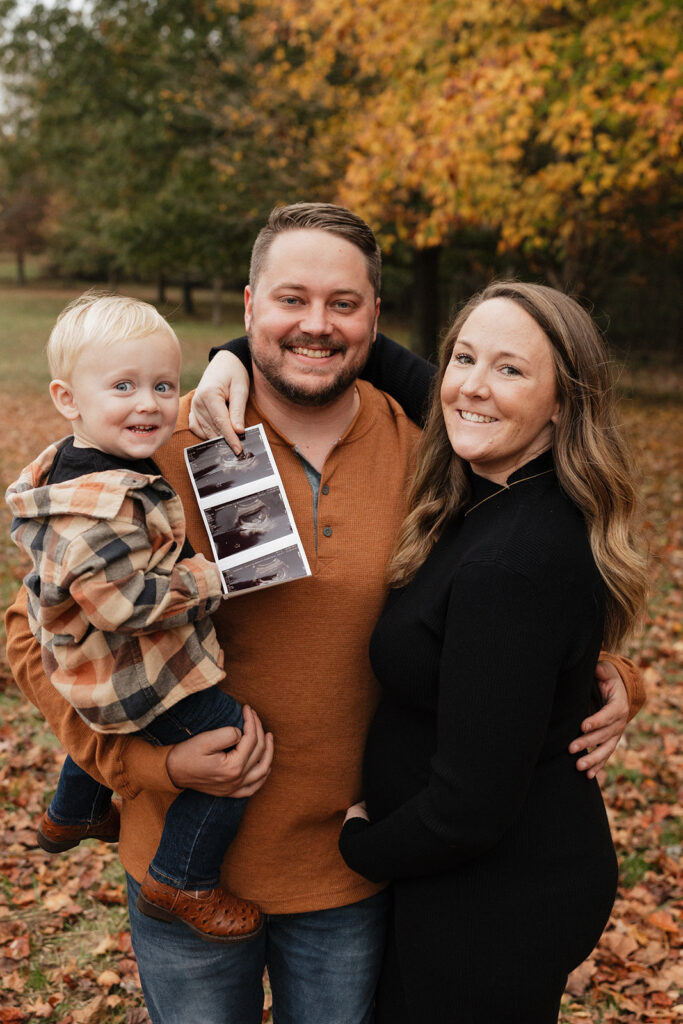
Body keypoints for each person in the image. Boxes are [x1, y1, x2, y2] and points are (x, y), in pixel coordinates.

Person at [5, 206, 644, 1024]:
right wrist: (146, 770)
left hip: (352, 877)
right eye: (290, 299)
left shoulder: (434, 456)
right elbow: (35, 632)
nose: (316, 324)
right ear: (247, 308)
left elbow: (519, 600)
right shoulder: (149, 446)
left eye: (343, 303)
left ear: (374, 319)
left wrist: (612, 680)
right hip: (184, 867)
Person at [338, 282, 649, 1023]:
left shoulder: (509, 562)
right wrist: (233, 358)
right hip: (483, 886)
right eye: (462, 358)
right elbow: (398, 368)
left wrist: (360, 847)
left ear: (563, 403)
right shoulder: (507, 491)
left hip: (489, 906)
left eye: (510, 369)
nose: (472, 386)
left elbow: (468, 808)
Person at [5, 292, 264, 942]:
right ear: (68, 398)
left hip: (87, 669)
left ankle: (75, 809)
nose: (149, 403)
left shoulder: (82, 466)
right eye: (123, 385)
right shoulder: (101, 511)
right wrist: (213, 575)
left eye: (162, 385)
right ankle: (180, 876)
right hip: (132, 675)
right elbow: (124, 604)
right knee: (233, 739)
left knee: (90, 705)